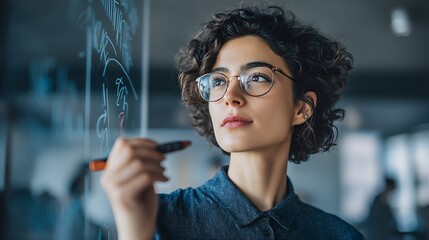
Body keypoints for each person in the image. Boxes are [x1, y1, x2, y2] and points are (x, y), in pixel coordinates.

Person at [101, 5, 364, 240]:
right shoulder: (157, 220)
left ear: (301, 108)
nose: (230, 96)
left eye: (257, 77)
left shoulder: (340, 235)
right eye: (218, 81)